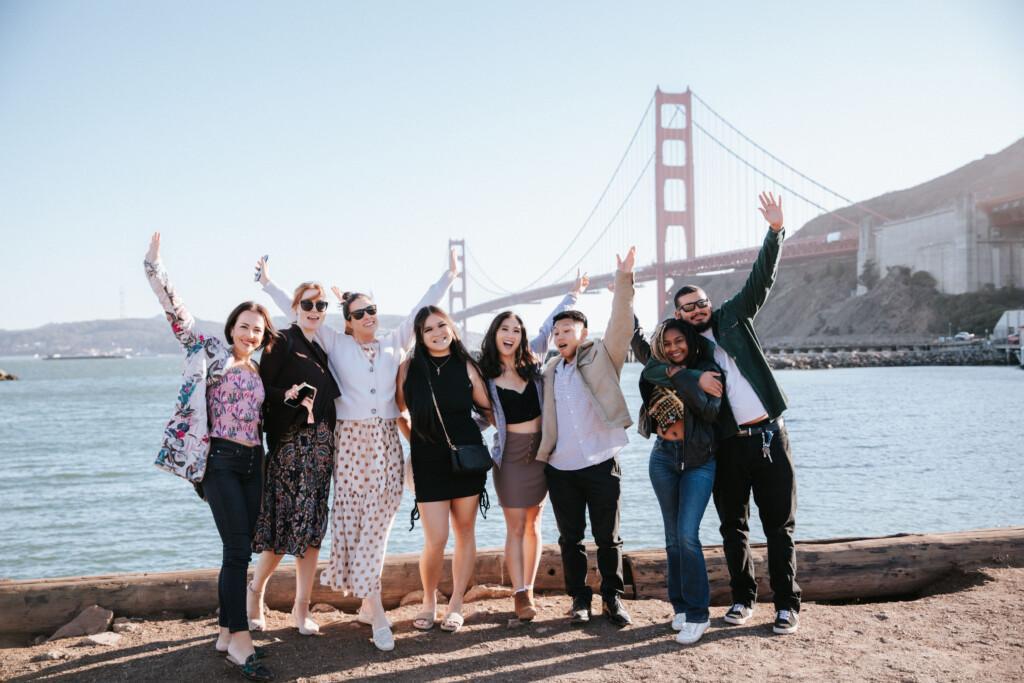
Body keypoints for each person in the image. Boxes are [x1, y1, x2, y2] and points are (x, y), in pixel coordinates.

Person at [258, 251, 456, 651]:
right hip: (348, 444)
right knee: (355, 522)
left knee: (379, 526)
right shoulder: (335, 343)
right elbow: (301, 314)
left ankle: (372, 603)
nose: (369, 317)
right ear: (347, 321)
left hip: (385, 442)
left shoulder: (393, 343)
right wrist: (267, 285)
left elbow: (421, 308)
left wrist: (448, 277)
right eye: (361, 313)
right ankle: (374, 609)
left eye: (373, 311)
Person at [144, 232, 275, 682]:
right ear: (231, 327)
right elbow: (179, 318)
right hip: (218, 461)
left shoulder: (259, 369)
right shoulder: (212, 352)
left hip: (253, 462)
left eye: (258, 330)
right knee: (237, 548)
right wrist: (156, 269)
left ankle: (224, 629)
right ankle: (240, 641)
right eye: (244, 326)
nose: (250, 334)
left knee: (240, 546)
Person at [670, 192, 802, 635]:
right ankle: (744, 599)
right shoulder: (688, 352)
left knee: (779, 526)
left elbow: (761, 279)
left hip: (769, 436)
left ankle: (787, 605)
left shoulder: (733, 316)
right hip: (728, 446)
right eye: (688, 307)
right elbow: (651, 362)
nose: (698, 309)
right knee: (733, 526)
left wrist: (775, 232)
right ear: (679, 315)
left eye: (702, 301)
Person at [477, 271, 589, 621]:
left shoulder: (533, 360)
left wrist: (573, 294)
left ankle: (530, 585)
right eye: (504, 329)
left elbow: (549, 325)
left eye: (515, 330)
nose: (510, 335)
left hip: (542, 453)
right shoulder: (483, 375)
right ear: (494, 334)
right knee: (514, 526)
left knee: (535, 524)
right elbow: (477, 416)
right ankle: (520, 593)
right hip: (509, 458)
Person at [536, 247, 636, 627]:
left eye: (568, 330)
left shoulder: (603, 356)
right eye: (557, 332)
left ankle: (613, 596)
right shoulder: (548, 371)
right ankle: (580, 599)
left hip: (601, 462)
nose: (561, 335)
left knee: (608, 538)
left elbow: (621, 324)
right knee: (570, 539)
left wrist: (623, 280)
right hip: (560, 468)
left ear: (584, 334)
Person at [247, 282, 341, 636]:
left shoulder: (324, 345)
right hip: (290, 446)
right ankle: (255, 593)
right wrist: (288, 396)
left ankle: (301, 610)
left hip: (322, 448)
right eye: (308, 304)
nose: (315, 310)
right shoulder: (282, 341)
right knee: (283, 527)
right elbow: (261, 390)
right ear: (296, 306)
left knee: (313, 528)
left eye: (321, 304)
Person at [396, 305, 492, 634]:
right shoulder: (408, 368)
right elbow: (398, 412)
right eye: (428, 329)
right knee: (435, 538)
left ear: (451, 326)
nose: (437, 333)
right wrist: (418, 440)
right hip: (427, 461)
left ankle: (456, 604)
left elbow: (489, 411)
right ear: (420, 337)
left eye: (442, 325)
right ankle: (428, 601)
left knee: (465, 532)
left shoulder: (467, 366)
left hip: (466, 460)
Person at [634, 318, 722, 645]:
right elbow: (644, 366)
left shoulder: (708, 368)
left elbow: (709, 411)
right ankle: (681, 607)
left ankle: (699, 614)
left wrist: (688, 376)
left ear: (689, 340)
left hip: (699, 461)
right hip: (662, 457)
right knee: (672, 538)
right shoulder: (658, 369)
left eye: (678, 341)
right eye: (666, 343)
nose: (673, 348)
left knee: (687, 535)